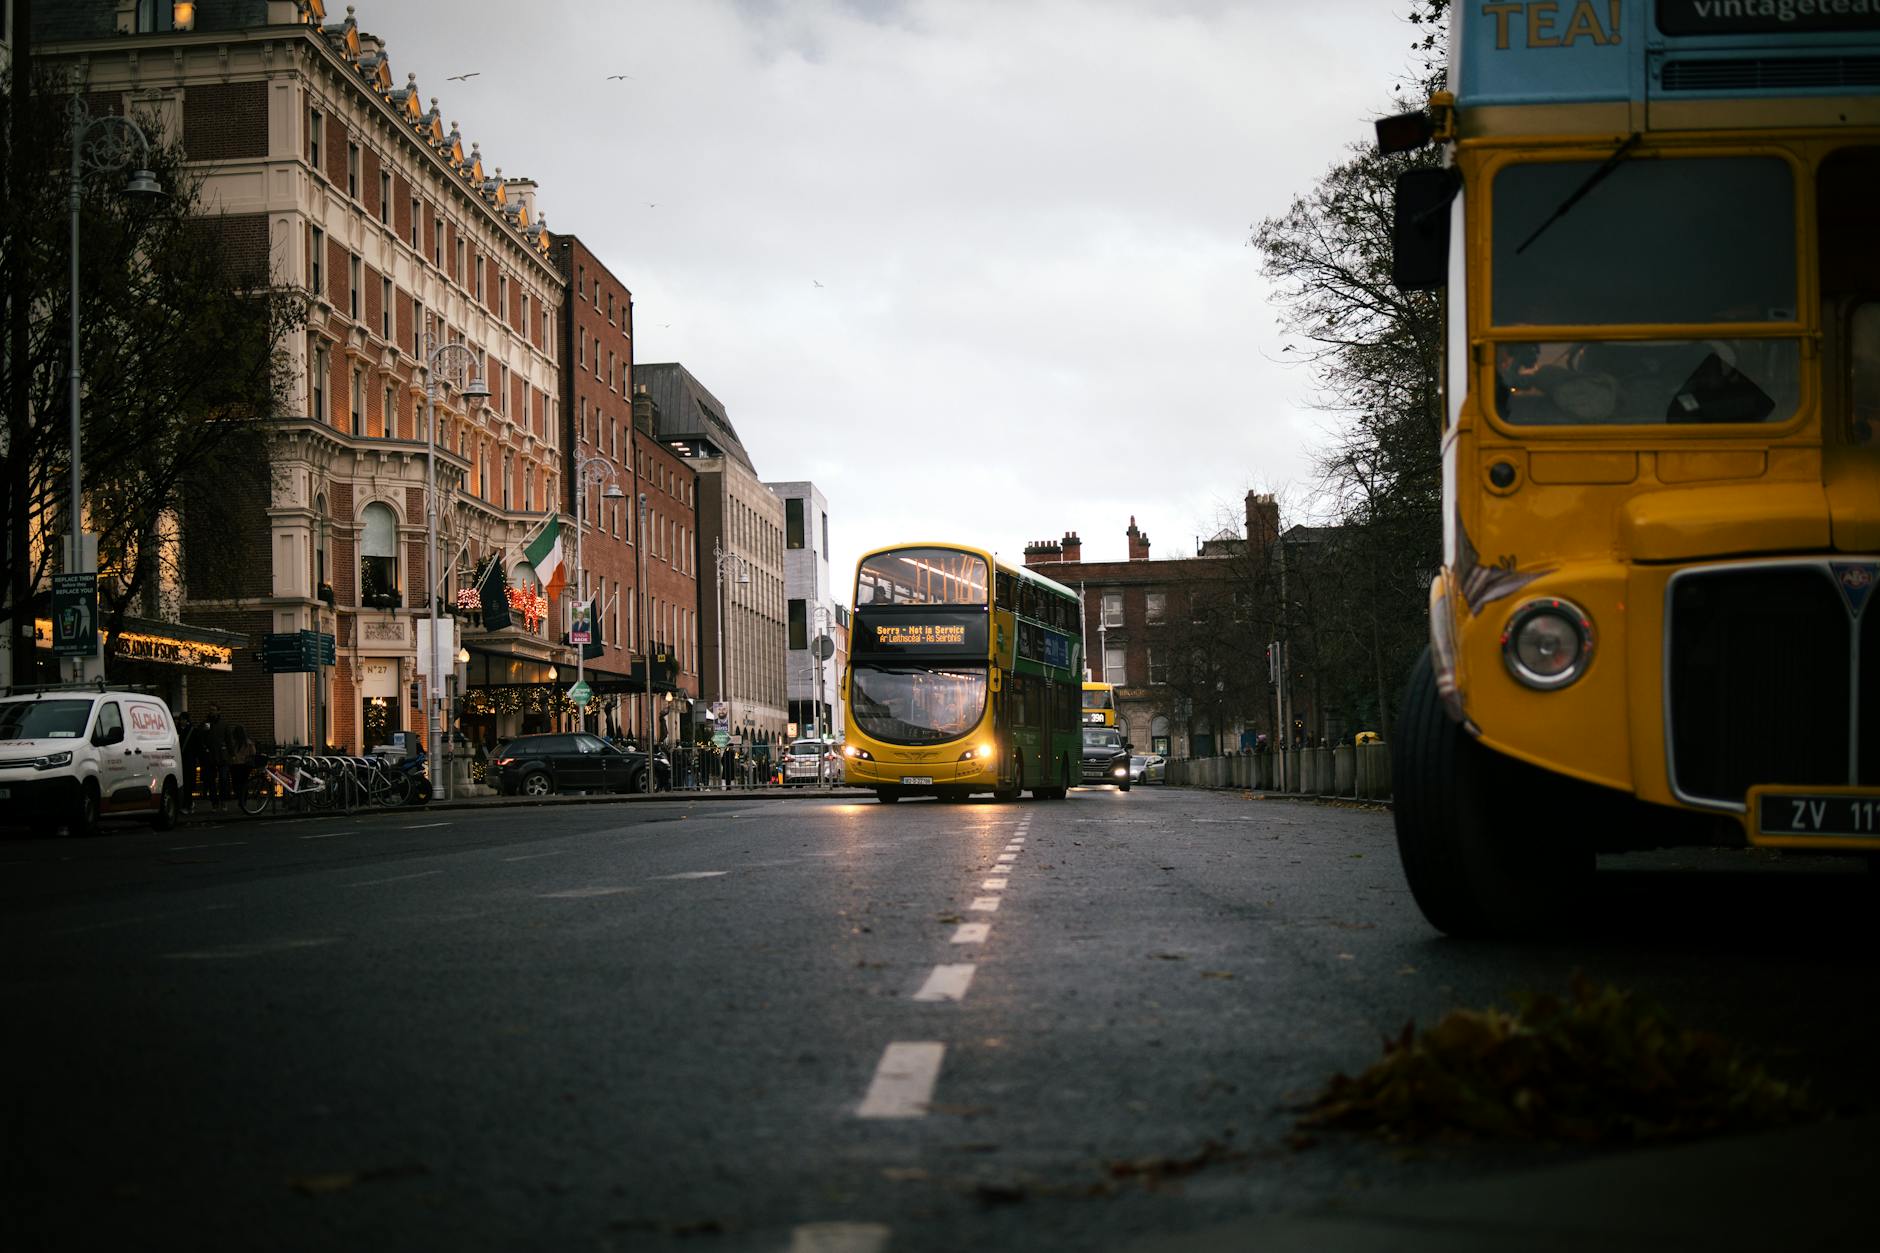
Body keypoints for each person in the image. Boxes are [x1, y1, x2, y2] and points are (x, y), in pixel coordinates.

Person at [203, 705, 231, 811]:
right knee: (211, 781)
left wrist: (231, 754)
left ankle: (223, 801)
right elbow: (203, 738)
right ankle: (214, 802)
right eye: (210, 710)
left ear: (219, 711)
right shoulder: (206, 723)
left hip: (222, 756)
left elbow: (228, 739)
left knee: (223, 779)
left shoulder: (224, 724)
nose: (211, 712)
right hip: (210, 756)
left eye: (213, 710)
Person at [178, 709, 205, 813]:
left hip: (186, 760)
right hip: (190, 760)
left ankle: (187, 804)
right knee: (188, 783)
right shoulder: (193, 730)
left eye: (182, 720)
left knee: (187, 783)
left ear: (185, 720)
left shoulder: (185, 731)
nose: (180, 722)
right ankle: (188, 804)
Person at [227, 724, 255, 807]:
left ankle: (240, 798)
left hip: (236, 765)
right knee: (244, 784)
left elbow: (230, 754)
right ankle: (243, 800)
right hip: (245, 765)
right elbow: (253, 753)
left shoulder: (234, 743)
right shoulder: (248, 743)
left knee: (236, 784)